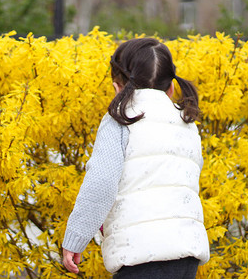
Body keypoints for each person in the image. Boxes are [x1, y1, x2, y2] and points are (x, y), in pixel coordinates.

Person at [62, 38, 210, 278]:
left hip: (141, 255)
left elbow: (101, 184)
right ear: (171, 88)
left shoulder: (120, 120)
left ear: (117, 88)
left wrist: (76, 237)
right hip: (187, 253)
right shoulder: (186, 122)